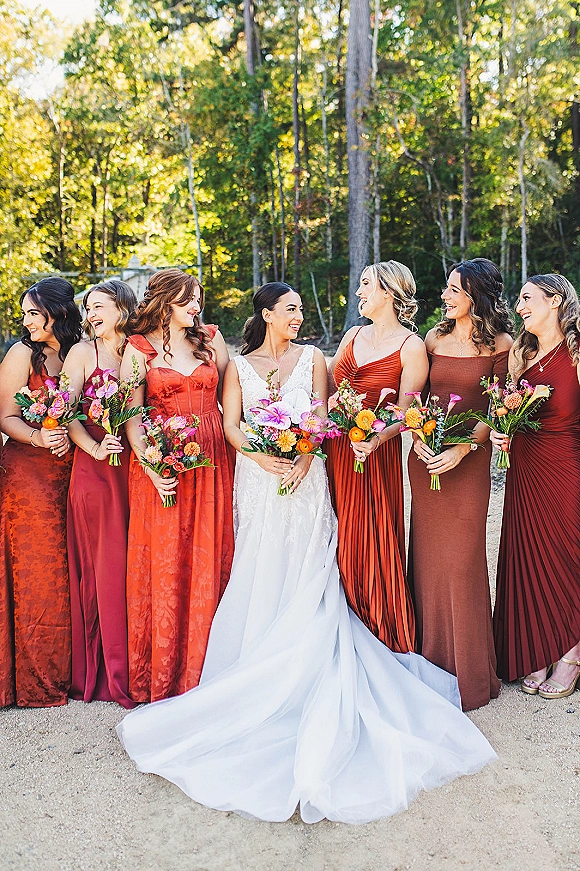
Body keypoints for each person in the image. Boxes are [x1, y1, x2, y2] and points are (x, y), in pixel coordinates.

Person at [117, 281, 496, 825]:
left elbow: (322, 416)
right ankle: (255, 661)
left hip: (308, 478)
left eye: (299, 309)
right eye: (291, 309)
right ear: (267, 313)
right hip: (256, 479)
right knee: (257, 563)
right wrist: (265, 456)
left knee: (311, 568)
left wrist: (300, 454)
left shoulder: (316, 358)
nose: (299, 317)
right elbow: (229, 426)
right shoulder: (237, 364)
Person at [121, 268, 234, 703]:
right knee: (168, 560)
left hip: (212, 462)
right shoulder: (138, 350)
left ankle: (210, 669)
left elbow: (234, 397)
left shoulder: (210, 338)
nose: (196, 307)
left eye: (198, 299)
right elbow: (132, 415)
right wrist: (152, 465)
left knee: (212, 555)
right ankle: (168, 674)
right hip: (164, 462)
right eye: (187, 299)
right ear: (165, 301)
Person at [408, 258, 514, 711]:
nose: (445, 296)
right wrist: (417, 438)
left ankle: (469, 673)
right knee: (428, 559)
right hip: (426, 460)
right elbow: (419, 397)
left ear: (477, 295)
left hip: (468, 462)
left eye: (454, 290)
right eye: (447, 288)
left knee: (463, 560)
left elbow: (498, 411)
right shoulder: (433, 338)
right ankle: (428, 665)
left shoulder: (503, 343)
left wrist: (462, 450)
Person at [326, 261, 428, 653]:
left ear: (388, 291)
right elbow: (331, 390)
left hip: (374, 454)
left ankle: (377, 626)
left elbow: (406, 412)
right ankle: (339, 625)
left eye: (366, 285)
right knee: (335, 533)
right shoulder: (352, 333)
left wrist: (376, 438)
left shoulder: (411, 346)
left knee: (368, 535)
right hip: (338, 449)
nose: (359, 292)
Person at [492, 274, 580, 698]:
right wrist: (499, 433)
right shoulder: (520, 354)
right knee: (530, 554)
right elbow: (508, 410)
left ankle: (571, 652)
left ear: (556, 300)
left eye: (527, 298)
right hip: (523, 468)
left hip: (566, 466)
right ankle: (538, 646)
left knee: (566, 555)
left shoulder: (577, 351)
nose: (520, 306)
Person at [0, 277, 82, 707]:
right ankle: (35, 678)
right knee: (39, 573)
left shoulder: (80, 352)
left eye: (35, 312)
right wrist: (39, 438)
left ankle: (77, 672)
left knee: (74, 569)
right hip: (28, 475)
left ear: (59, 312)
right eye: (25, 313)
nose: (27, 321)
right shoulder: (20, 354)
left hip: (77, 470)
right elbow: (6, 416)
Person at [62, 280, 137, 709]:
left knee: (135, 564)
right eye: (88, 307)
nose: (90, 314)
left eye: (99, 305)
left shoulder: (141, 349)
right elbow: (65, 410)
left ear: (122, 308)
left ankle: (142, 660)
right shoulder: (81, 354)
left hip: (138, 469)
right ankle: (108, 671)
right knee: (104, 566)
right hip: (94, 469)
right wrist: (93, 446)